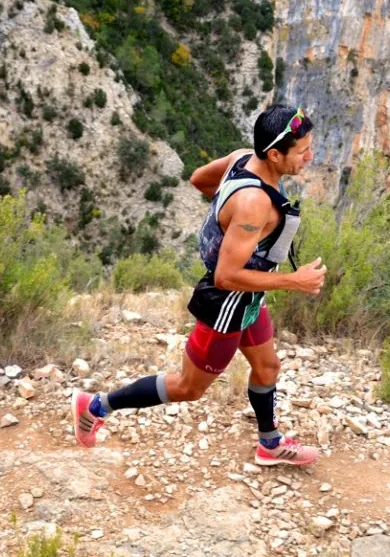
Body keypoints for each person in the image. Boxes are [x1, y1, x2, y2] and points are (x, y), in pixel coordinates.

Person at [71, 104, 327, 466]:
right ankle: (95, 406)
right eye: (302, 151)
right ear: (274, 154)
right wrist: (294, 281)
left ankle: (269, 444)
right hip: (226, 303)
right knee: (188, 388)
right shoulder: (254, 203)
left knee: (268, 367)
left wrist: (226, 215)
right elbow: (225, 277)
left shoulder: (242, 159)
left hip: (249, 296)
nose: (309, 157)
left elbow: (199, 179)